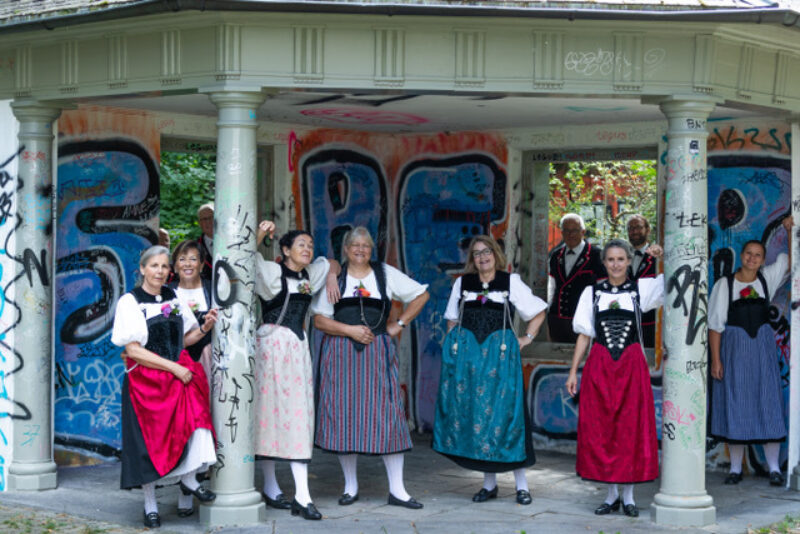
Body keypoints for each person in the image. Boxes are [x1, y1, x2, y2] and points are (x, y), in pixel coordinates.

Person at [312, 227, 429, 510]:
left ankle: (398, 490)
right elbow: (319, 321)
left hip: (377, 353)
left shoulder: (385, 273)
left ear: (371, 249)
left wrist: (397, 325)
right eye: (355, 245)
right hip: (339, 354)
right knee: (343, 416)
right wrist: (349, 330)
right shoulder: (335, 277)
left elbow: (421, 295)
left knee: (389, 415)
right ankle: (350, 487)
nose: (361, 249)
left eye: (366, 245)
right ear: (346, 249)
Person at [433, 235, 546, 505]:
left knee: (507, 416)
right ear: (472, 259)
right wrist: (454, 351)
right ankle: (489, 485)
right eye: (476, 254)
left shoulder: (510, 282)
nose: (482, 257)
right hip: (470, 362)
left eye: (487, 252)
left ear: (495, 254)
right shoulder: (463, 283)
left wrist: (526, 339)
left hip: (501, 360)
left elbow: (538, 312)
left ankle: (522, 486)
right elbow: (452, 320)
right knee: (478, 417)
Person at [111, 245, 218, 528]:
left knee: (198, 423)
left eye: (163, 266)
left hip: (178, 372)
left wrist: (205, 327)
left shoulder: (173, 296)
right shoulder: (130, 302)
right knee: (150, 443)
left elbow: (184, 339)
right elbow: (133, 350)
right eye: (154, 266)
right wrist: (174, 368)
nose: (160, 271)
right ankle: (150, 505)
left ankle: (190, 478)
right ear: (143, 269)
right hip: (147, 381)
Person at [565, 239, 663, 518]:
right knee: (603, 428)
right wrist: (574, 371)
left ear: (629, 261)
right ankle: (610, 496)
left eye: (621, 259)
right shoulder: (592, 292)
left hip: (631, 365)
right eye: (611, 259)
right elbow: (584, 334)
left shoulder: (640, 289)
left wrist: (660, 256)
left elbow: (673, 283)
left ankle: (629, 496)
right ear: (604, 262)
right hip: (600, 363)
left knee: (630, 428)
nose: (616, 264)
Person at [253, 220, 332, 520]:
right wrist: (261, 233)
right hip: (272, 348)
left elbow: (331, 263)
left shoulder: (310, 275)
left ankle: (301, 494)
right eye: (301, 245)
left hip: (297, 350)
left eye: (310, 246)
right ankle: (272, 487)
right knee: (269, 415)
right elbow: (244, 258)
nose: (308, 250)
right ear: (285, 250)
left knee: (299, 417)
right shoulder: (272, 273)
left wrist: (334, 274)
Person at [709, 216, 793, 486]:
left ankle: (773, 469)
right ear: (742, 256)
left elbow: (789, 261)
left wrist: (790, 231)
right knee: (735, 406)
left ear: (762, 259)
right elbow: (715, 326)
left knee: (768, 404)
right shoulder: (725, 285)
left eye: (758, 255)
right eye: (749, 254)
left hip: (762, 353)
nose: (752, 259)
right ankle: (735, 469)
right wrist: (716, 360)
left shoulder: (767, 279)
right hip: (734, 353)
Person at [547, 213, 606, 343]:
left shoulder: (597, 255)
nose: (571, 234)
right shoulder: (556, 256)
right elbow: (551, 286)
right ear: (562, 233)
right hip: (558, 320)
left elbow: (603, 289)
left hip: (584, 321)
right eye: (566, 231)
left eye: (575, 230)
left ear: (583, 232)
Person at [168, 239, 215, 392]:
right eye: (182, 259)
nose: (187, 264)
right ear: (175, 266)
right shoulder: (167, 293)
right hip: (179, 365)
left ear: (201, 265)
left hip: (211, 360)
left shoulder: (213, 290)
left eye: (193, 259)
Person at [626, 215, 660, 347]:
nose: (634, 231)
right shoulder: (622, 254)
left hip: (650, 324)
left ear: (648, 230)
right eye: (631, 228)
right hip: (626, 323)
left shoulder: (657, 256)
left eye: (638, 227)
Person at [196, 203, 214, 280]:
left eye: (211, 217)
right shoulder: (194, 248)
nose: (208, 222)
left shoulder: (231, 243)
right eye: (204, 219)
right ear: (199, 223)